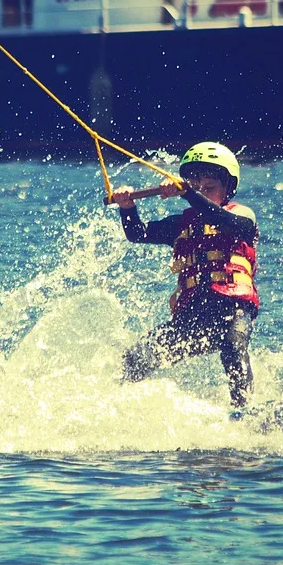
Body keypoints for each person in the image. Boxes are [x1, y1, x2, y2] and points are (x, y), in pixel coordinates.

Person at [113, 142, 259, 408]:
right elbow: (137, 234)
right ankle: (116, 407)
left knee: (232, 348)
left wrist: (190, 193)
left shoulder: (241, 216)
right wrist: (127, 207)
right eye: (196, 185)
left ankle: (245, 412)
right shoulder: (179, 225)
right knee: (137, 356)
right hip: (194, 316)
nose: (202, 192)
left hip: (233, 310)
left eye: (210, 187)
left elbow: (224, 222)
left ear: (228, 189)